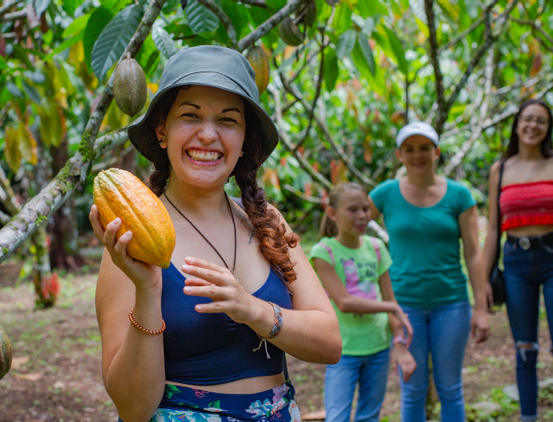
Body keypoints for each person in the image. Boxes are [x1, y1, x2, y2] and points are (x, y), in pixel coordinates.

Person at [88, 45, 341, 422]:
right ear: (162, 131)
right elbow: (133, 408)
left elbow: (330, 343)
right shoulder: (131, 240)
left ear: (243, 142)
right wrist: (147, 290)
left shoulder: (267, 221)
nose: (208, 135)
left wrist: (252, 309)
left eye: (227, 120)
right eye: (190, 116)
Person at [368, 121, 490, 422]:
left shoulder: (459, 196)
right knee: (412, 389)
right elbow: (347, 225)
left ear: (436, 152)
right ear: (399, 155)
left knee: (450, 388)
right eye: (409, 149)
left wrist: (482, 308)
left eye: (424, 148)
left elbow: (474, 253)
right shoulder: (385, 194)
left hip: (451, 303)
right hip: (403, 306)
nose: (417, 155)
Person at [309, 182, 416, 422]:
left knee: (369, 416)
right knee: (337, 417)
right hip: (343, 351)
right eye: (353, 210)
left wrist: (399, 343)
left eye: (365, 209)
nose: (362, 216)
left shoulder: (377, 248)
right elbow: (345, 302)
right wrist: (391, 308)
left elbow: (390, 298)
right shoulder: (324, 252)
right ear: (332, 213)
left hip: (377, 347)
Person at [483, 99, 553, 422]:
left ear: (547, 127)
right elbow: (493, 227)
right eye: (527, 119)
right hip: (515, 263)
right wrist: (483, 281)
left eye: (540, 121)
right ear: (517, 123)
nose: (533, 126)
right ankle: (529, 417)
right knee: (525, 349)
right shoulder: (501, 169)